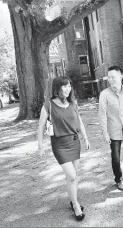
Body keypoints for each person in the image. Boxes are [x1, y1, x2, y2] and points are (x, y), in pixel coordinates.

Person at [37, 76, 90, 221]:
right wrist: (40, 146)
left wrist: (85, 138)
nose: (68, 89)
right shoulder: (49, 105)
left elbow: (79, 121)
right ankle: (76, 205)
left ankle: (73, 200)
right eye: (65, 86)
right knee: (72, 176)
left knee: (72, 176)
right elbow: (41, 125)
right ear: (57, 88)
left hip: (74, 142)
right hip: (59, 145)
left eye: (69, 86)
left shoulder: (73, 103)